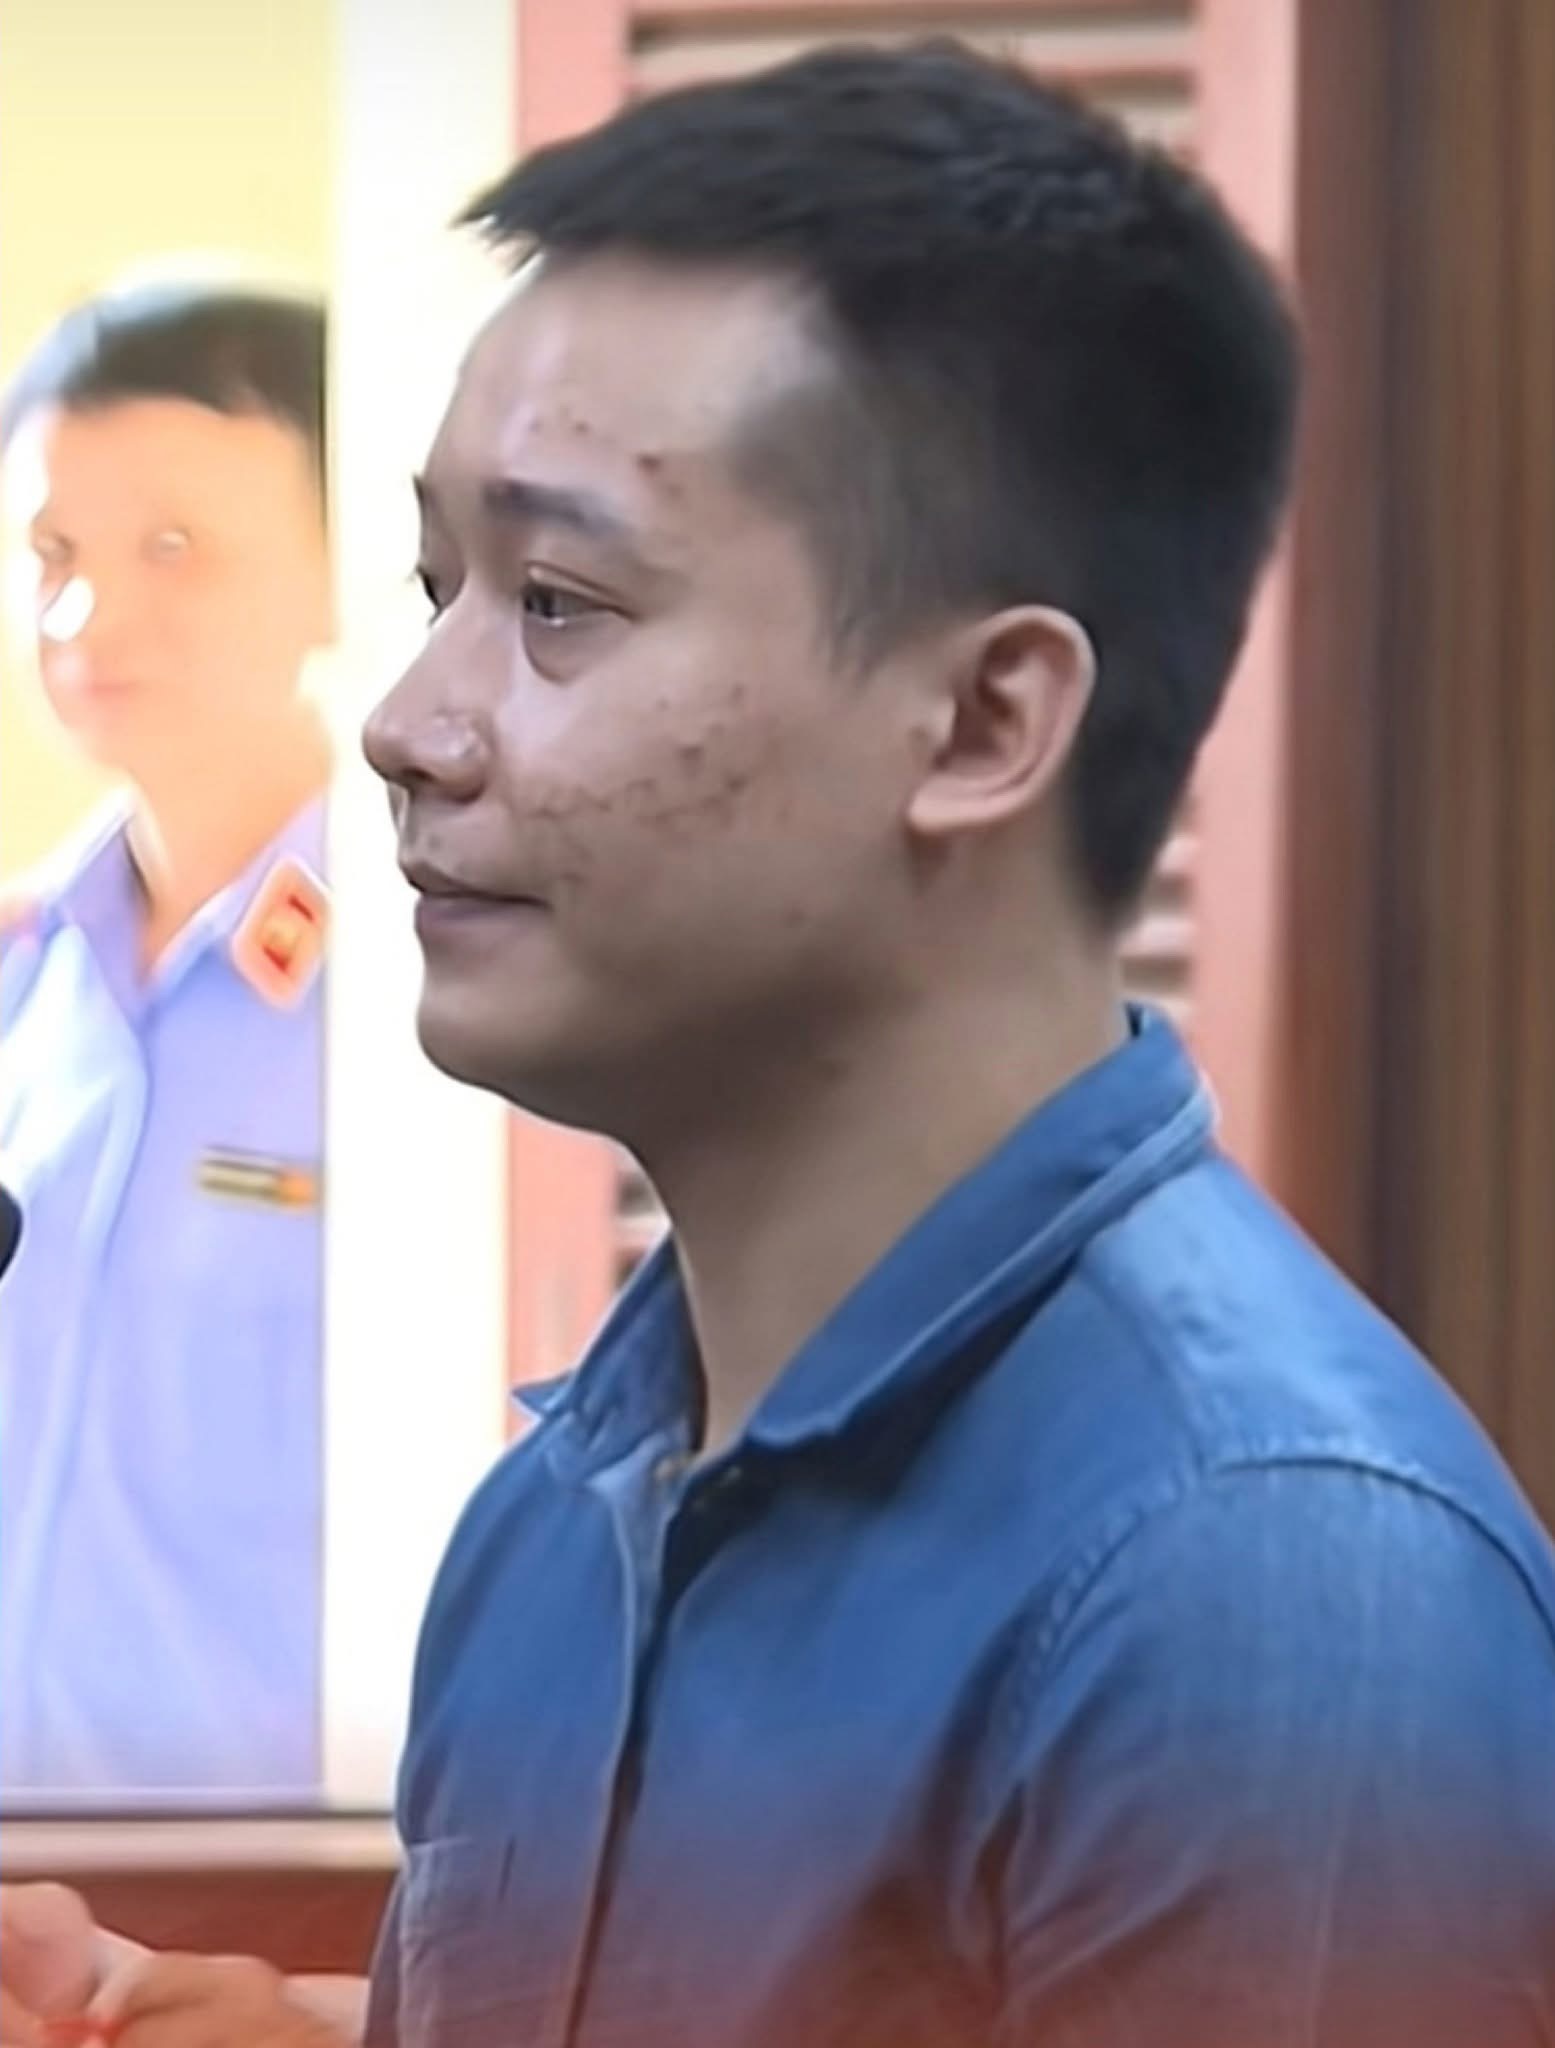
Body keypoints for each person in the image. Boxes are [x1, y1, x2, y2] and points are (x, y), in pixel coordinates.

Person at [5, 38, 1555, 2048]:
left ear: (982, 723)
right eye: (436, 585)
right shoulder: (561, 1515)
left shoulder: (1259, 1589)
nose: (406, 722)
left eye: (559, 602)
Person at [0, 282, 333, 1802]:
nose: (85, 618)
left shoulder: (445, 1015)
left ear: (343, 568)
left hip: (303, 1891)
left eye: (174, 548)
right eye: (52, 553)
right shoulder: (28, 982)